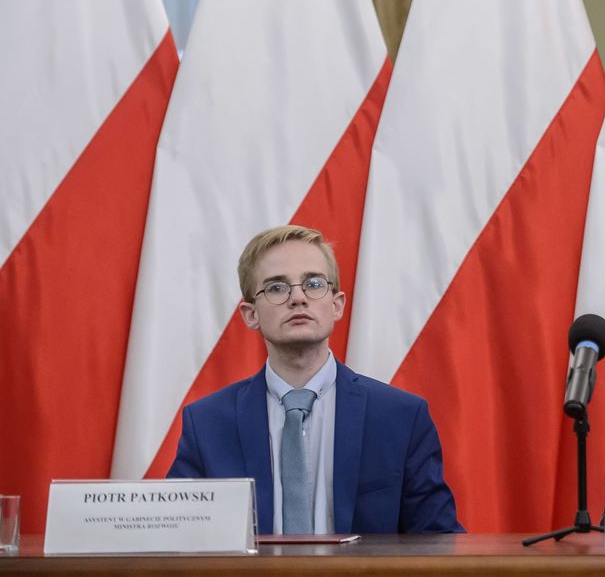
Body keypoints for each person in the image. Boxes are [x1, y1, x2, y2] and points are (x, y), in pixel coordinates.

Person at [168, 225, 462, 534]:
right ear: (250, 314)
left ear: (337, 305)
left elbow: (437, 541)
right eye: (277, 288)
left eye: (313, 283)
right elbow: (176, 540)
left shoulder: (401, 417)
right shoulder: (207, 424)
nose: (298, 298)